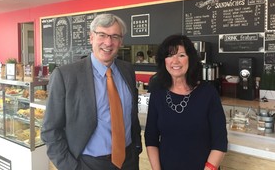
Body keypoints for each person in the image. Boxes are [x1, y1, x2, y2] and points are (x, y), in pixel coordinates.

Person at [41, 14, 142, 170]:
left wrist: (136, 150)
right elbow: (50, 130)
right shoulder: (66, 75)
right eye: (102, 35)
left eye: (115, 36)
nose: (108, 42)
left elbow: (131, 116)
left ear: (121, 41)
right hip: (88, 164)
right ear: (91, 38)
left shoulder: (127, 70)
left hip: (128, 161)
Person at [144, 34, 227, 170]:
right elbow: (151, 138)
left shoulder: (208, 93)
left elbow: (220, 141)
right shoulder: (158, 93)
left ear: (191, 59)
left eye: (181, 55)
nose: (175, 61)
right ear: (164, 61)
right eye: (170, 55)